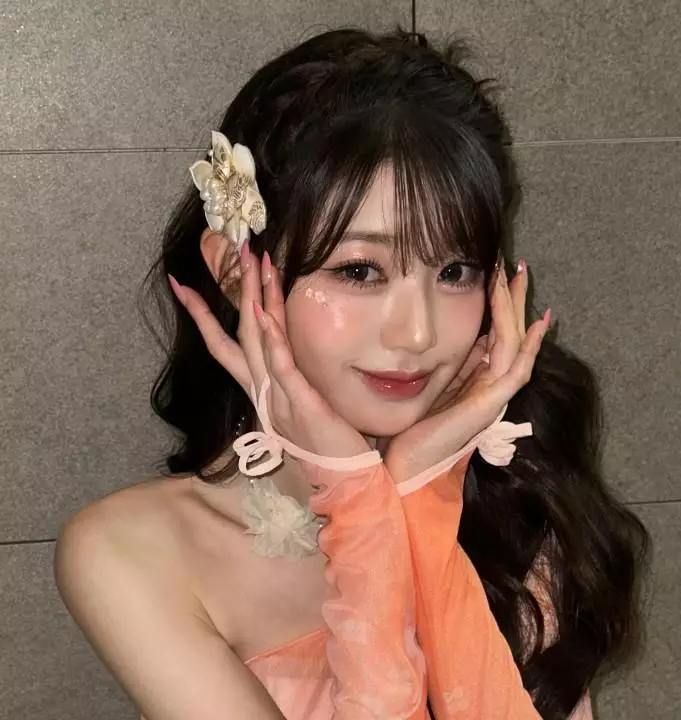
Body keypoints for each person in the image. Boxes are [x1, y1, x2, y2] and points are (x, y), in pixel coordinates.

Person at [54, 27, 650, 720]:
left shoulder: (513, 501)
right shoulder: (132, 552)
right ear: (235, 272)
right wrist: (362, 505)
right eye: (360, 270)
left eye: (455, 271)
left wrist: (420, 497)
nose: (417, 334)